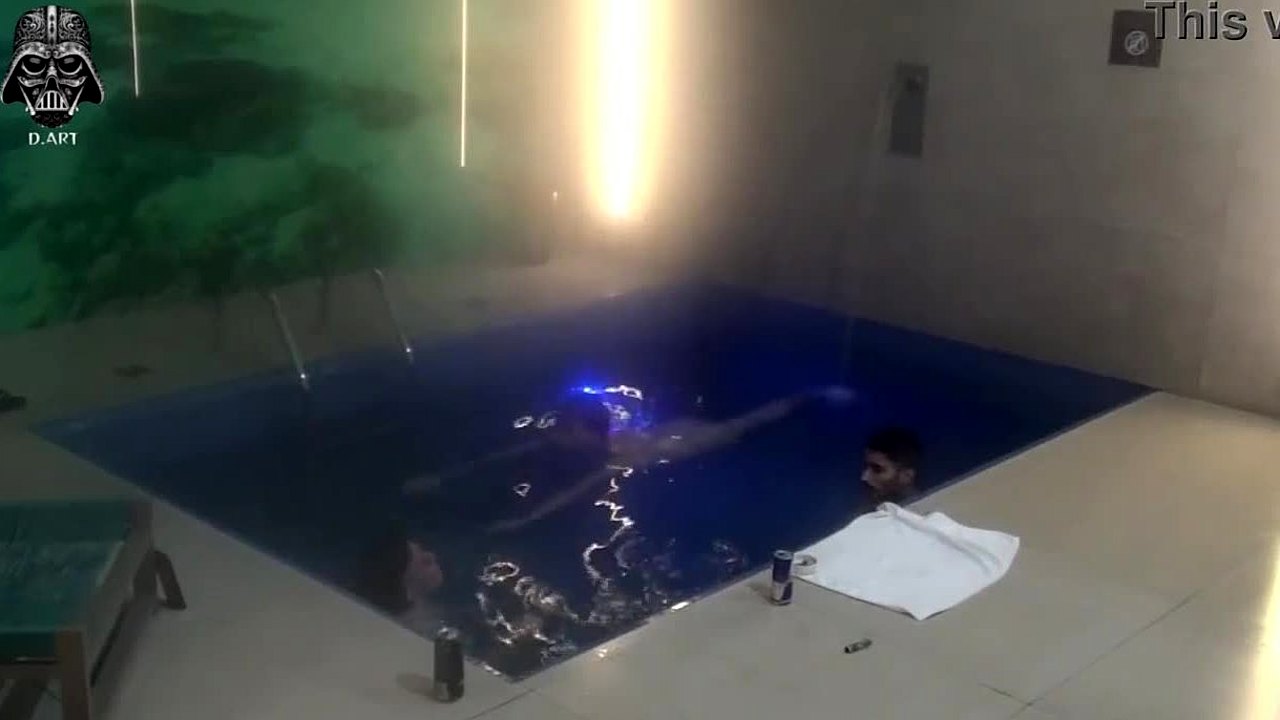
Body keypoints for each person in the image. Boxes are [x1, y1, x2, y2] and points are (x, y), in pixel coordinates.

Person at [403, 385, 855, 533]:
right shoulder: (590, 438)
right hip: (669, 425)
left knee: (747, 423)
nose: (558, 433)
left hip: (689, 441)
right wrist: (442, 478)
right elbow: (523, 448)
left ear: (586, 434)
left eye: (567, 428)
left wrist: (517, 522)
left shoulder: (614, 462)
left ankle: (807, 397)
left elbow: (566, 497)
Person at [353, 524, 446, 635]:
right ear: (405, 589)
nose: (432, 555)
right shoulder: (419, 630)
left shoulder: (421, 609)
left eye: (422, 550)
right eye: (425, 562)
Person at [860, 426, 921, 509]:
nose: (864, 477)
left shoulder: (931, 513)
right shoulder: (867, 512)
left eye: (877, 469)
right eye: (865, 467)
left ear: (906, 475)